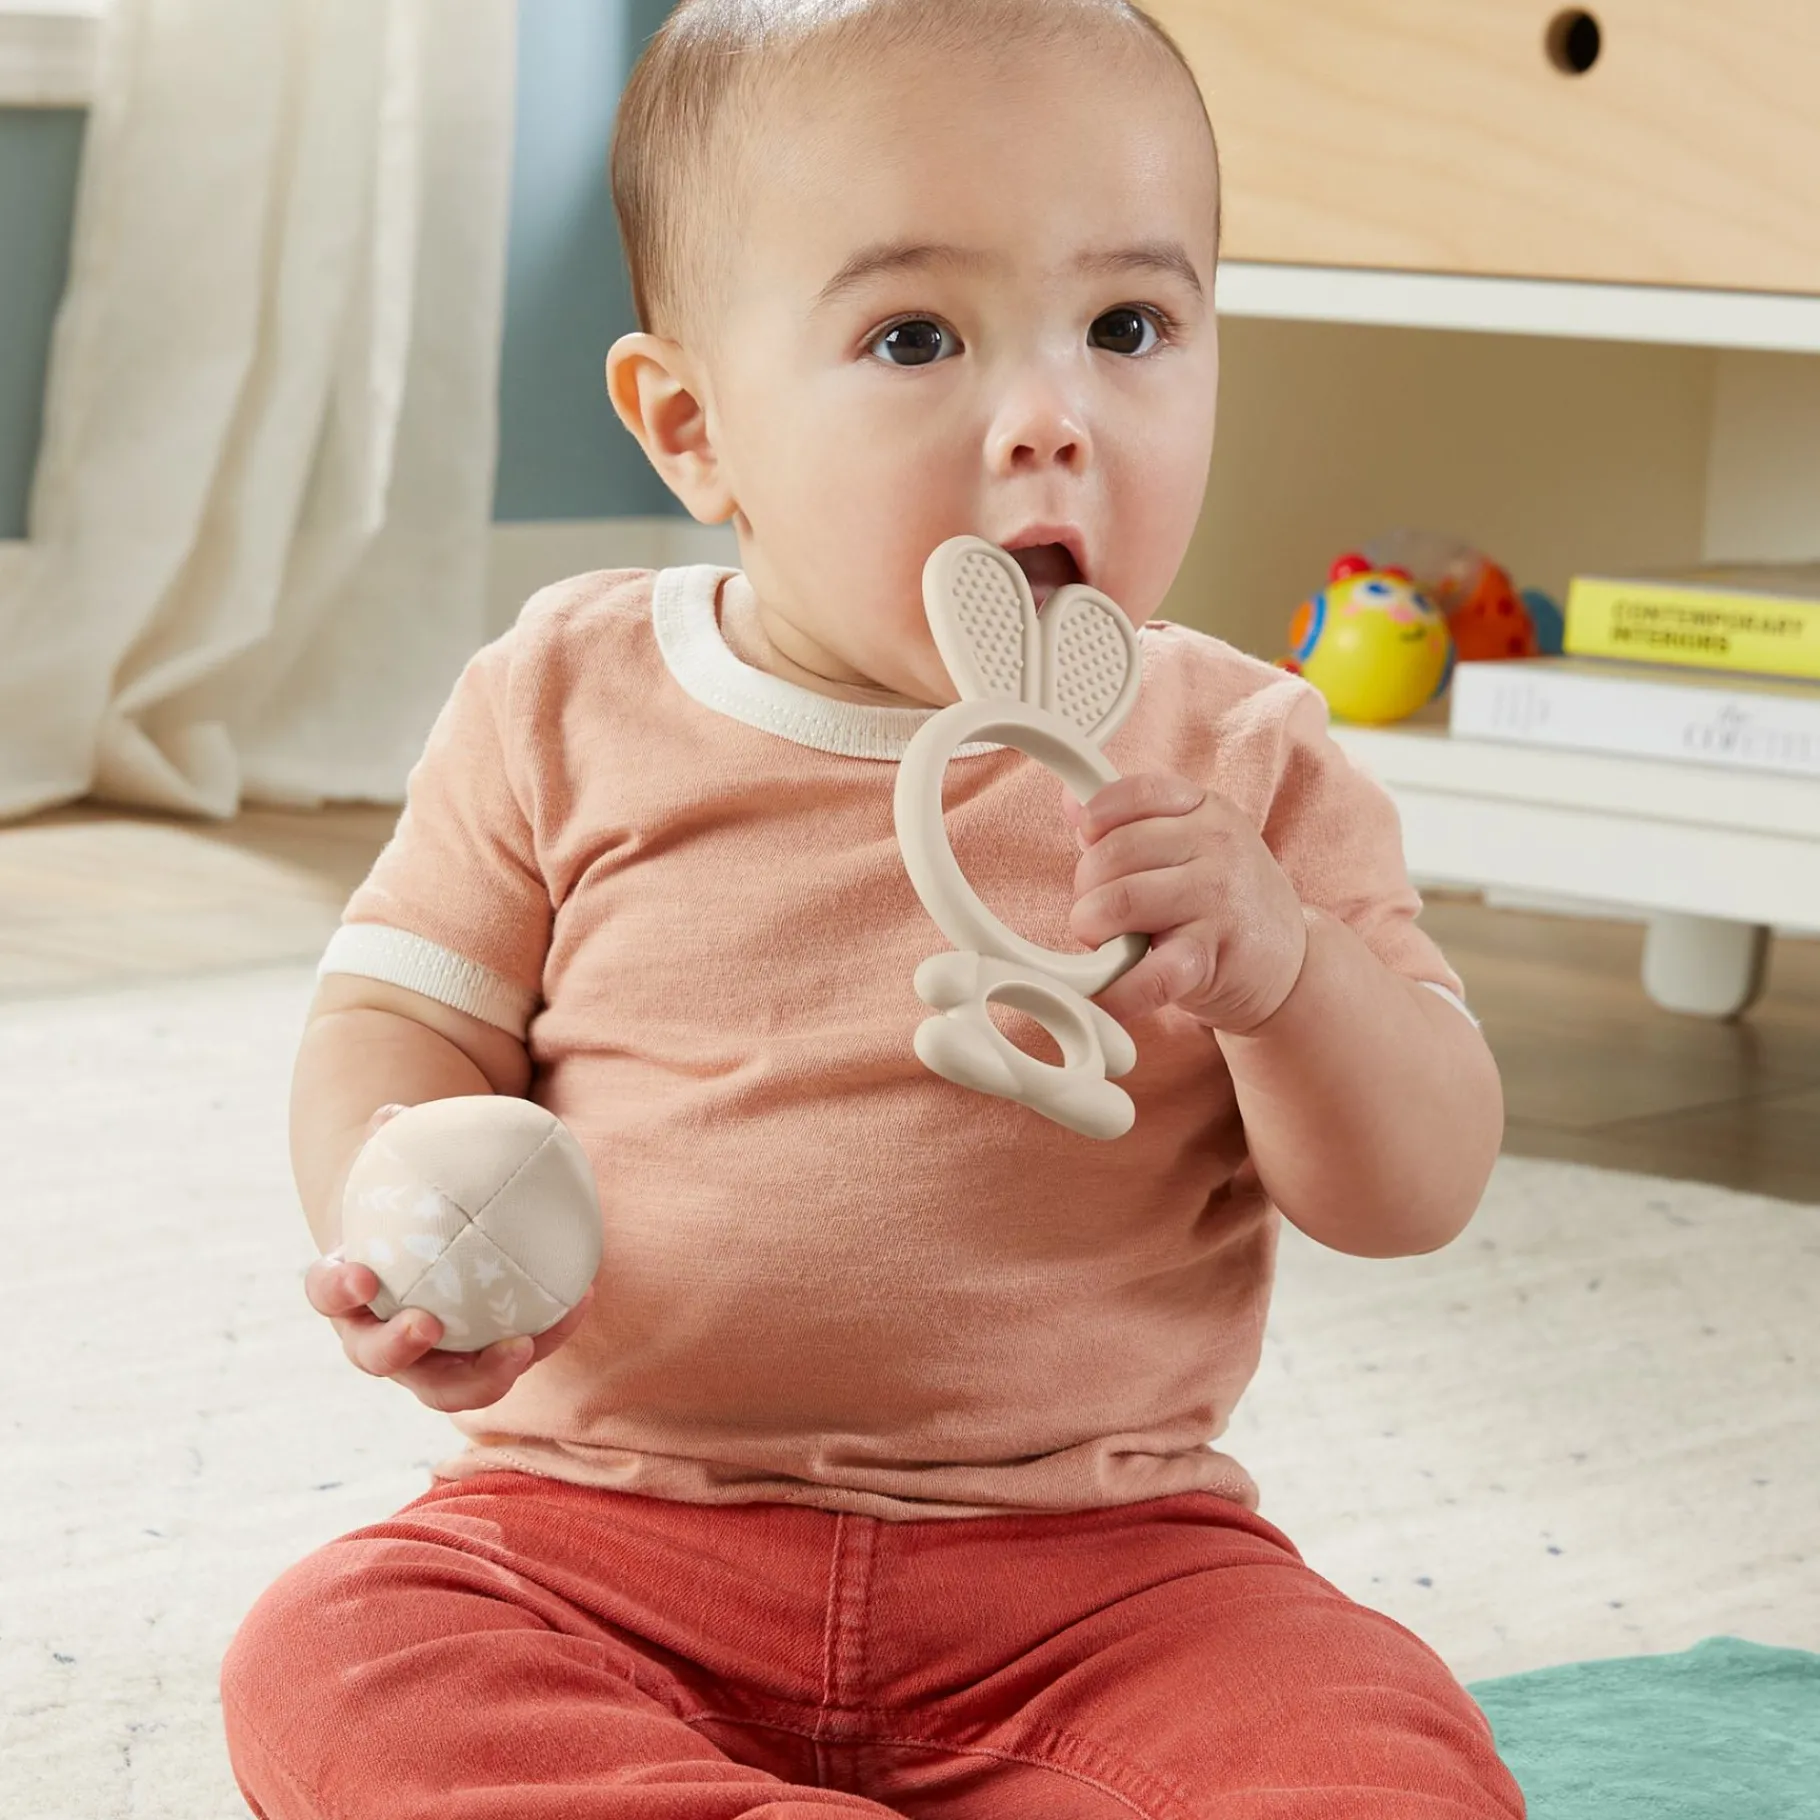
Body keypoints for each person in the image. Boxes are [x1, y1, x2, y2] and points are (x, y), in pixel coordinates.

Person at [220, 2, 1523, 1814]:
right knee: (336, 1659)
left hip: (1102, 1579)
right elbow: (395, 1019)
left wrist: (1289, 977)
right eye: (916, 336)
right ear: (695, 428)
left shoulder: (1245, 756)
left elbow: (1418, 1187)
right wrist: (399, 1222)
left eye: (1129, 327)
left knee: (1373, 1754)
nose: (1054, 420)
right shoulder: (562, 698)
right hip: (599, 1537)